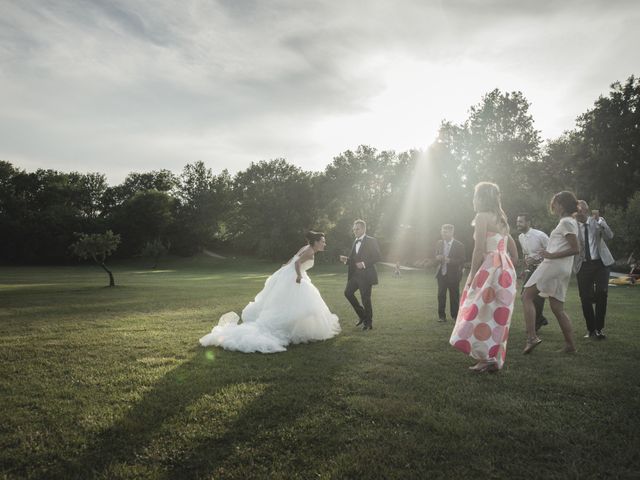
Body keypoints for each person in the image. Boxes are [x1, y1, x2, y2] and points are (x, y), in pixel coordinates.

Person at [199, 231, 340, 353]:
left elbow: (294, 257)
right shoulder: (310, 252)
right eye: (322, 241)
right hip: (294, 276)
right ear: (315, 242)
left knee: (289, 302)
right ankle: (289, 327)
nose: (324, 244)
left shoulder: (307, 247)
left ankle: (294, 325)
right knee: (305, 302)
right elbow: (297, 263)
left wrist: (286, 265)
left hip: (287, 273)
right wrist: (298, 275)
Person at [449, 182, 518, 373]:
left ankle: (485, 358)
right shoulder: (501, 217)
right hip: (506, 269)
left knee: (481, 312)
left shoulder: (482, 217)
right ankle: (492, 358)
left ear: (480, 198)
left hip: (491, 267)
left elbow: (479, 249)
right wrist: (514, 259)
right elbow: (510, 242)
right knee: (496, 315)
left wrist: (472, 273)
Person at [522, 192, 579, 354]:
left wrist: (551, 255)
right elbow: (563, 246)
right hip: (561, 268)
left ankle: (532, 337)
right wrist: (547, 252)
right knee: (557, 308)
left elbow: (575, 249)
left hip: (553, 265)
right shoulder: (570, 222)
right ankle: (570, 346)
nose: (553, 206)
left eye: (554, 203)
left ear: (561, 204)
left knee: (526, 295)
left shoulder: (566, 222)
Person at [574, 201, 615, 339]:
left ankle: (599, 329)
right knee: (585, 297)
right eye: (575, 211)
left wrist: (601, 223)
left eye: (580, 211)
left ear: (586, 210)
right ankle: (590, 330)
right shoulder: (572, 225)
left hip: (600, 264)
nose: (577, 214)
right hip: (583, 265)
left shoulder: (597, 221)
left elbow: (610, 236)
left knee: (602, 293)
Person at [340, 219, 382, 330]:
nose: (355, 231)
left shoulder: (371, 240)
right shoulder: (355, 241)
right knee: (348, 293)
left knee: (365, 299)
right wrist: (347, 260)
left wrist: (364, 263)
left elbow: (377, 257)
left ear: (363, 229)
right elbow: (354, 259)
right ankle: (363, 316)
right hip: (355, 275)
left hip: (366, 275)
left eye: (357, 229)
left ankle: (369, 322)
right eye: (354, 229)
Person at [516, 213, 550, 331]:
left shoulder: (540, 235)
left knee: (536, 297)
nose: (518, 224)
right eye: (517, 221)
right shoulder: (520, 237)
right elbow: (526, 254)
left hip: (543, 268)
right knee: (524, 296)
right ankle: (539, 319)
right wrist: (524, 269)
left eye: (521, 221)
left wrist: (537, 259)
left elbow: (552, 250)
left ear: (528, 222)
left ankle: (537, 322)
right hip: (531, 269)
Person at [435, 224, 465, 322]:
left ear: (452, 232)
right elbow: (436, 254)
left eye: (445, 232)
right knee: (441, 295)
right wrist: (437, 257)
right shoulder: (439, 243)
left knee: (454, 297)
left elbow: (462, 260)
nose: (443, 233)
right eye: (442, 231)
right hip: (441, 274)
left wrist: (450, 260)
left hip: (454, 275)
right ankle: (441, 317)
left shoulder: (459, 245)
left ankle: (455, 316)